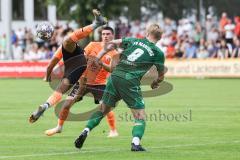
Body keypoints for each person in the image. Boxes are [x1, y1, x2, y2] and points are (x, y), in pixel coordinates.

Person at [74, 23, 165, 151]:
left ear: (147, 33)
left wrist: (98, 57)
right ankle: (136, 143)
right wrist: (155, 83)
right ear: (160, 38)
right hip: (130, 81)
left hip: (114, 76)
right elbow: (161, 75)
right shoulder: (158, 53)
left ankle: (86, 130)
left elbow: (110, 45)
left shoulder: (133, 40)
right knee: (140, 116)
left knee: (102, 110)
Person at [29, 9, 107, 123]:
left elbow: (50, 66)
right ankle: (45, 106)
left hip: (74, 70)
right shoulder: (68, 45)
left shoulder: (62, 50)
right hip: (80, 67)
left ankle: (46, 105)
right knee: (66, 42)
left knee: (61, 90)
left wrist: (48, 77)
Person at [44, 27, 119, 137]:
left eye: (108, 34)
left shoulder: (114, 53)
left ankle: (113, 131)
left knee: (105, 107)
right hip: (83, 81)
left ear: (113, 36)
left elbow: (113, 69)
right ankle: (59, 127)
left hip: (100, 84)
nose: (105, 36)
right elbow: (82, 57)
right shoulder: (93, 45)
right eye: (103, 34)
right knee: (66, 104)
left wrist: (101, 64)